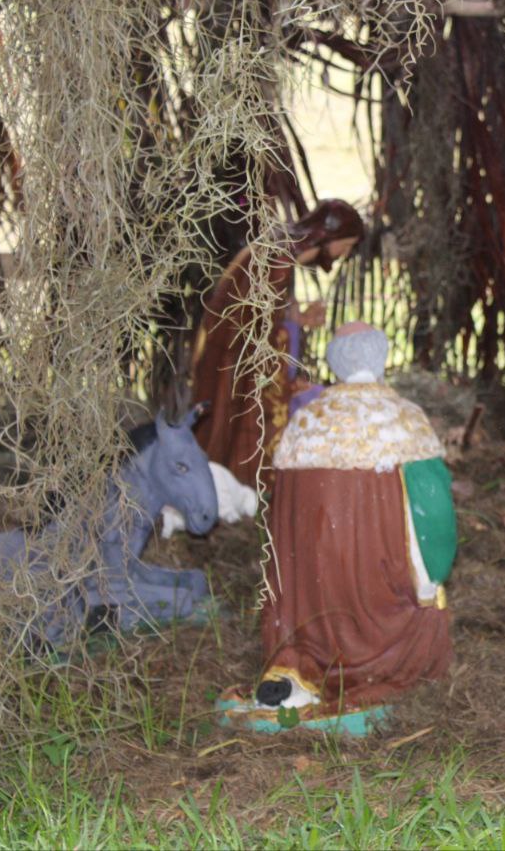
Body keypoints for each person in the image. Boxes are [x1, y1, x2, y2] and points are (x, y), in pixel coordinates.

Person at [249, 322, 457, 716]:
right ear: (382, 357)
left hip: (309, 605)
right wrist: (429, 581)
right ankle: (376, 668)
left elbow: (280, 527)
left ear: (333, 362)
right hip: (383, 605)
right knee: (429, 612)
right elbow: (435, 522)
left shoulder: (304, 423)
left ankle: (301, 671)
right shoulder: (405, 420)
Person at [191, 199, 364, 486]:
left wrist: (299, 317)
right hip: (239, 362)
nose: (342, 254)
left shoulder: (280, 252)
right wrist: (289, 384)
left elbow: (266, 314)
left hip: (234, 356)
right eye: (344, 246)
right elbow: (263, 333)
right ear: (327, 236)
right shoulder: (280, 262)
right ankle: (253, 482)